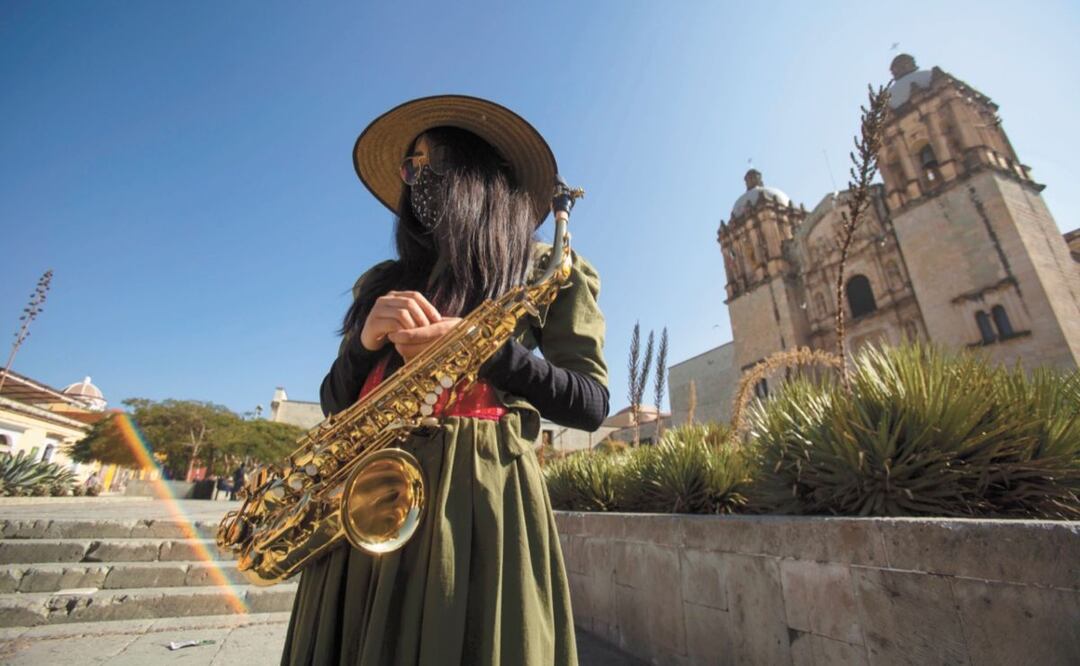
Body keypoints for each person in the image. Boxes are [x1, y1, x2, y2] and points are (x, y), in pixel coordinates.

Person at [281, 96, 609, 666]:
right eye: (410, 167)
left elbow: (590, 403)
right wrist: (364, 344)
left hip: (476, 504)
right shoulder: (381, 282)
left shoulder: (544, 269)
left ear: (476, 174)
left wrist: (491, 353)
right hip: (361, 496)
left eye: (430, 163)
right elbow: (336, 401)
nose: (416, 178)